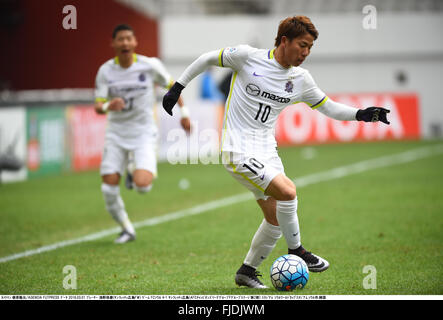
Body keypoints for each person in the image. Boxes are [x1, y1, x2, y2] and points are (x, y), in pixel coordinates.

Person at [162, 16, 389, 288]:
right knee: (288, 192)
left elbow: (328, 106)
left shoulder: (300, 79)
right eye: (302, 45)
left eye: (310, 48)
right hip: (238, 149)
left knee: (275, 219)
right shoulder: (247, 57)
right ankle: (297, 251)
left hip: (267, 150)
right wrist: (178, 87)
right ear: (284, 41)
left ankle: (247, 271)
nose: (305, 53)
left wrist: (362, 114)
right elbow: (207, 58)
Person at [95, 24, 191, 244]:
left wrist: (184, 113)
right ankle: (126, 228)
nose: (125, 43)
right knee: (108, 187)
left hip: (143, 133)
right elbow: (98, 106)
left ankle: (133, 172)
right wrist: (110, 105)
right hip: (116, 134)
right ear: (113, 43)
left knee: (143, 187)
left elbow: (173, 87)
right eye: (121, 39)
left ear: (135, 42)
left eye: (129, 38)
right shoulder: (105, 71)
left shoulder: (149, 66)